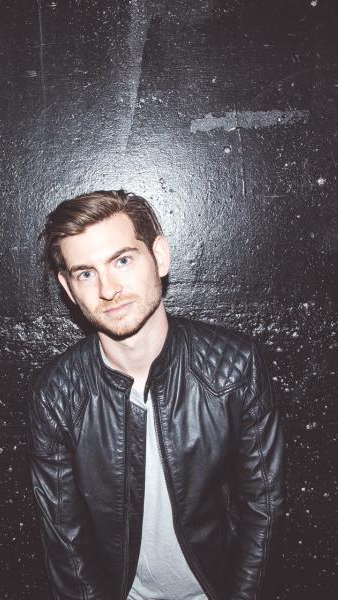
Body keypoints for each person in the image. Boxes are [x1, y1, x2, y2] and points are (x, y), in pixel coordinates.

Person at [27, 189, 284, 600]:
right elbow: (65, 541)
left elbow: (263, 508)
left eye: (122, 261)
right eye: (86, 273)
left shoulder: (234, 367)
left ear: (159, 257)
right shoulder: (57, 393)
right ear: (69, 288)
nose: (108, 289)